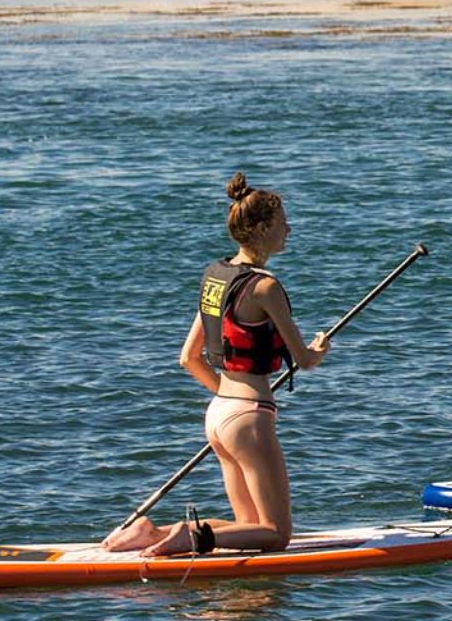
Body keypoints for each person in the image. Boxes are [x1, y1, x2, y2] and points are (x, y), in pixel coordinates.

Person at [105, 173, 331, 554]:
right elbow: (304, 360)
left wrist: (229, 401)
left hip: (219, 414)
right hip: (248, 417)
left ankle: (154, 532)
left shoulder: (215, 276)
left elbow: (189, 358)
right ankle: (187, 537)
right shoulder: (265, 286)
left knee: (250, 527)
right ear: (261, 228)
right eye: (282, 223)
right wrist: (320, 348)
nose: (289, 229)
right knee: (276, 534)